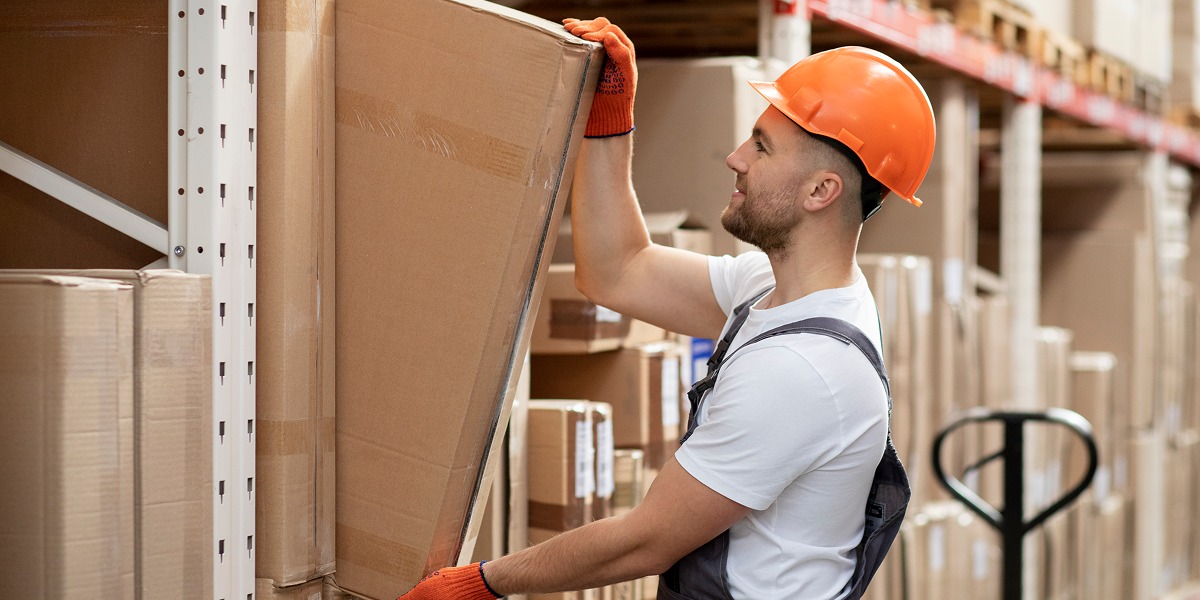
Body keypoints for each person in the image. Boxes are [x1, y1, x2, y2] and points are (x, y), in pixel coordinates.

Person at [398, 16, 936, 600]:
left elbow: (645, 540)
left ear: (820, 191)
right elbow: (618, 271)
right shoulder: (780, 290)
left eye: (761, 146)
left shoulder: (804, 370)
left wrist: (478, 585)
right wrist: (609, 123)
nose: (735, 158)